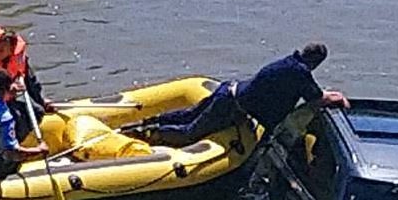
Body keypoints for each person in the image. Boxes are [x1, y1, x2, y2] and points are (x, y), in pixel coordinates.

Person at [125, 42, 349, 147]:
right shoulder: (299, 73)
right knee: (190, 132)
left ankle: (144, 124)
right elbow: (317, 98)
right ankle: (148, 134)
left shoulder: (289, 63)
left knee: (188, 114)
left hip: (228, 90)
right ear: (316, 62)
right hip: (232, 105)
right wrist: (339, 97)